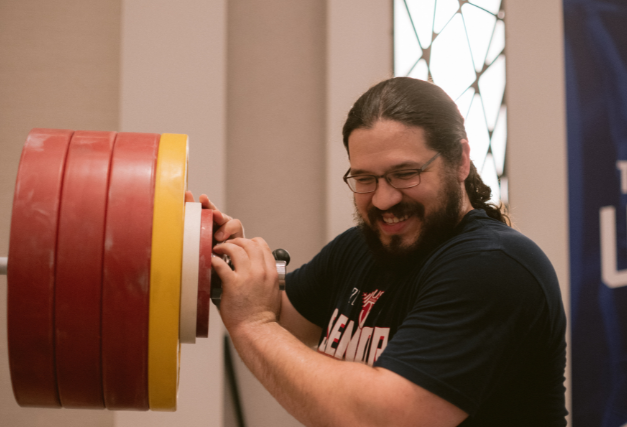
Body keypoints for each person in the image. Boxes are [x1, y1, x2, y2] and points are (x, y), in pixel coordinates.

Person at [193, 77, 567, 426]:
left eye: (405, 174)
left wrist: (252, 324)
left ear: (461, 160)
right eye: (365, 179)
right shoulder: (362, 246)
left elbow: (384, 417)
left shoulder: (493, 266)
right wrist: (220, 261)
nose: (384, 199)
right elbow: (281, 312)